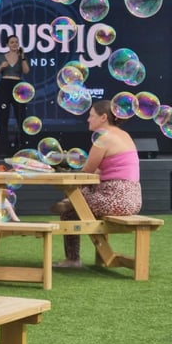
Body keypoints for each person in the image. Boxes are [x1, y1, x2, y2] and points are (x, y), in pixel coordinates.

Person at [52, 99, 143, 268]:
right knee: (73, 203)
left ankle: (73, 259)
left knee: (71, 205)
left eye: (91, 115)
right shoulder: (123, 135)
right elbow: (98, 172)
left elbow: (87, 172)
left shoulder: (103, 138)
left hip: (115, 197)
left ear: (103, 117)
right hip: (132, 199)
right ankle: (67, 204)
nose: (88, 119)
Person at [0, 34, 30, 155]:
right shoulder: (2, 57)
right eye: (12, 42)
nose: (14, 44)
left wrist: (22, 57)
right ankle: (3, 148)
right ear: (7, 44)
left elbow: (26, 71)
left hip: (18, 86)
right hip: (4, 86)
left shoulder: (21, 56)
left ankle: (21, 147)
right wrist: (1, 67)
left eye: (16, 42)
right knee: (4, 119)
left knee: (21, 117)